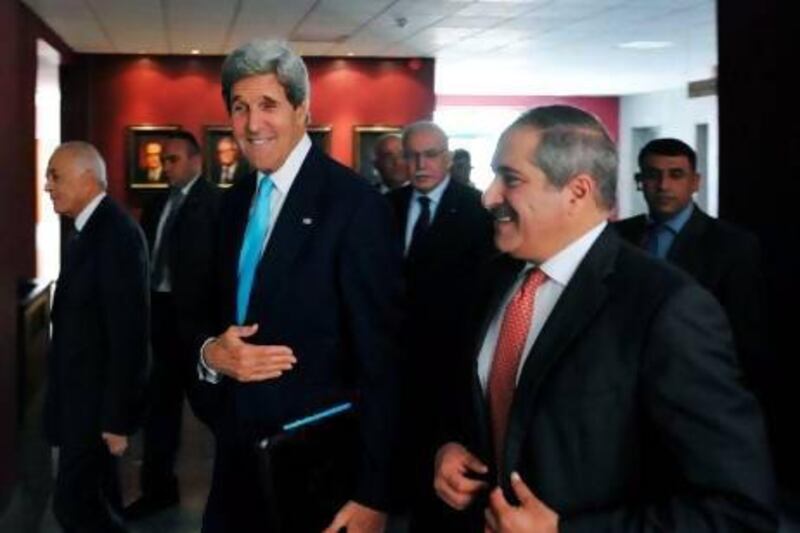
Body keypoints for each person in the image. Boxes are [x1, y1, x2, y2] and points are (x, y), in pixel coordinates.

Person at [433, 106, 777, 532]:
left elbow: (738, 510)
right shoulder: (490, 278)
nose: (488, 197)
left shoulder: (667, 308)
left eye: (511, 179)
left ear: (577, 191)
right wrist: (448, 447)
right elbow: (481, 405)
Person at [189, 40, 405, 532]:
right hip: (233, 462)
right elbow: (201, 316)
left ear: (302, 109)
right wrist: (209, 354)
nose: (252, 123)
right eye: (240, 107)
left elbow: (383, 360)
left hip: (318, 473)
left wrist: (375, 493)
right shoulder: (233, 201)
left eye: (268, 104)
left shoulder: (354, 206)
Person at [386, 121, 495, 529]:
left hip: (451, 360)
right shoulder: (387, 207)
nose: (420, 164)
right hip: (396, 358)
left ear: (448, 158)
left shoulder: (477, 210)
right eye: (411, 155)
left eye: (430, 155)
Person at [43, 141, 149, 532]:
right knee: (94, 506)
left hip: (96, 408)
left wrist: (117, 419)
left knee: (75, 506)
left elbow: (130, 335)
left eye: (55, 175)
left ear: (87, 178)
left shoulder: (116, 234)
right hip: (81, 404)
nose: (47, 187)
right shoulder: (88, 230)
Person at [614, 138, 768, 396]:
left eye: (676, 175)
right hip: (623, 389)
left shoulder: (731, 244)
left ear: (695, 182)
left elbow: (744, 334)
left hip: (697, 387)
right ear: (639, 181)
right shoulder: (615, 237)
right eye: (654, 175)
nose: (664, 185)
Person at [125, 131, 221, 520]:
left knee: (215, 410)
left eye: (174, 159)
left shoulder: (216, 203)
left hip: (198, 325)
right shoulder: (156, 203)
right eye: (163, 160)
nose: (165, 166)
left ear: (197, 161)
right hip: (160, 317)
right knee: (158, 410)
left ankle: (238, 492)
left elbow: (221, 270)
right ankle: (158, 490)